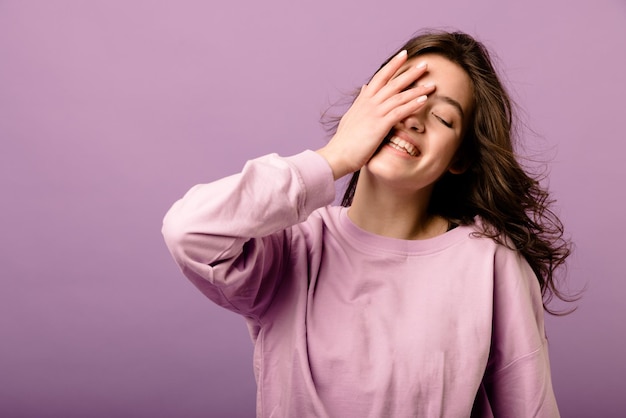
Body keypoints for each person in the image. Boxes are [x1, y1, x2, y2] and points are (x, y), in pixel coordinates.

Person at [162, 30, 570, 417]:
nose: (414, 118)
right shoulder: (293, 247)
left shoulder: (490, 263)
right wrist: (334, 155)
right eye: (402, 96)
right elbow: (188, 231)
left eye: (443, 118)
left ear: (459, 159)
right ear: (366, 107)